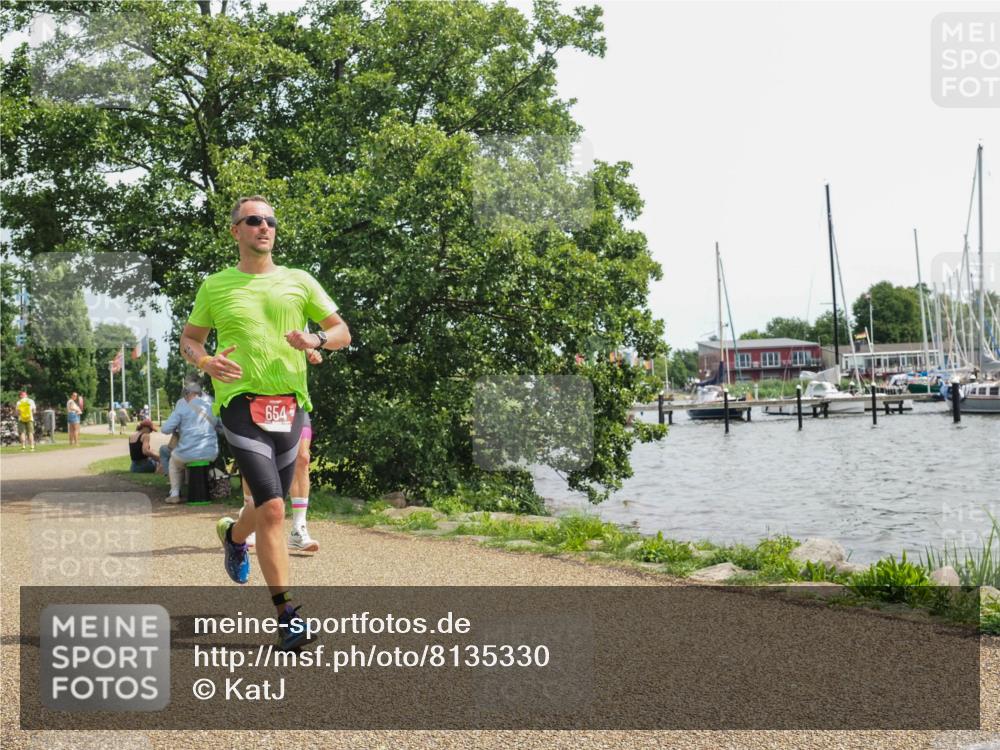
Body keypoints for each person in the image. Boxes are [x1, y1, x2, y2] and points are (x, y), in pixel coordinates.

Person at [179, 195, 350, 651]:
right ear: (235, 230)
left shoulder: (299, 280)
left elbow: (341, 332)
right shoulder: (215, 286)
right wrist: (208, 362)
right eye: (254, 220)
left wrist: (314, 337)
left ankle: (234, 537)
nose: (264, 227)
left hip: (291, 405)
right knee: (274, 506)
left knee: (265, 505)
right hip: (240, 403)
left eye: (271, 221)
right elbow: (191, 341)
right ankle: (288, 614)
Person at [244, 347, 322, 552]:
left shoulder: (293, 314)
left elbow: (305, 339)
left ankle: (298, 528)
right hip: (256, 394)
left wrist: (311, 350)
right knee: (254, 458)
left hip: (292, 398)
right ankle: (251, 521)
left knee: (303, 458)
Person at [159, 382, 218, 503]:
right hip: (211, 452)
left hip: (188, 453)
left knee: (173, 461)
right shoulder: (210, 405)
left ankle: (174, 493)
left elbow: (165, 429)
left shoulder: (182, 406)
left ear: (187, 394)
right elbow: (220, 426)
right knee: (188, 458)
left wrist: (179, 427)